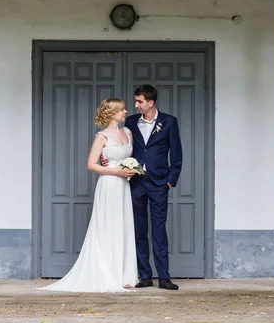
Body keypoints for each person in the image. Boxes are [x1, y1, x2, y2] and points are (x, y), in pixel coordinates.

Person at [40, 98, 138, 292]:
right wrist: (117, 171)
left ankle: (124, 274)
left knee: (123, 226)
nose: (126, 112)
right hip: (110, 184)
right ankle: (108, 273)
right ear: (111, 113)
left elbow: (129, 156)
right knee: (108, 226)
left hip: (125, 186)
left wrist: (131, 169)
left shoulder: (128, 132)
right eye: (121, 109)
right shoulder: (102, 136)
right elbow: (92, 164)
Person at [104, 85, 183, 290]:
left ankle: (164, 277)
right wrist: (107, 160)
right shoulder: (130, 123)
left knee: (159, 230)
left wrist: (170, 180)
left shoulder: (169, 122)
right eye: (136, 101)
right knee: (139, 230)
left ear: (150, 102)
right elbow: (120, 144)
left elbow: (176, 154)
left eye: (139, 101)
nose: (135, 105)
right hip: (136, 182)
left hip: (159, 183)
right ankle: (145, 276)